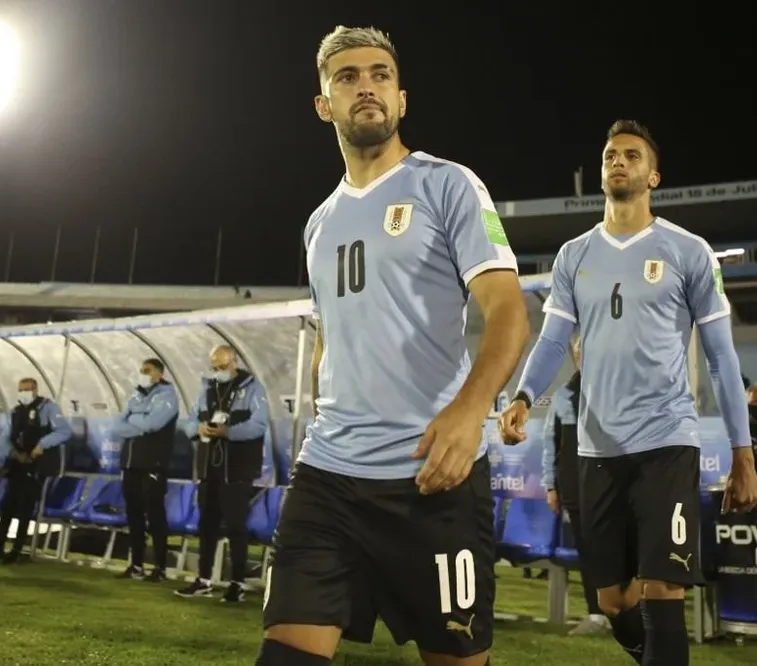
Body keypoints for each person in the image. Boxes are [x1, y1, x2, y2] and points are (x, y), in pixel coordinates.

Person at [257, 26, 528, 666]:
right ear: (325, 105)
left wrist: (468, 413)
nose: (366, 87)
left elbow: (508, 311)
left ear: (401, 98)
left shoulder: (450, 185)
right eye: (347, 78)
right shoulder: (318, 224)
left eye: (379, 75)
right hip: (327, 477)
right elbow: (330, 336)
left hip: (430, 476)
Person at [499, 119, 757, 666]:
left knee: (663, 589)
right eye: (611, 155)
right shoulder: (574, 256)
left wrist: (742, 452)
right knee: (614, 600)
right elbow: (552, 340)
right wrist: (523, 396)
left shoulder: (690, 252)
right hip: (597, 448)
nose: (619, 161)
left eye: (632, 155)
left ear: (653, 175)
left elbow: (721, 356)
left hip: (666, 440)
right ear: (602, 173)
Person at [176, 345, 269, 603]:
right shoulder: (207, 389)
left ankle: (236, 582)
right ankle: (203, 580)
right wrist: (200, 429)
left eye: (221, 367)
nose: (217, 372)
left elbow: (258, 425)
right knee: (206, 526)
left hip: (237, 470)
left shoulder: (253, 388)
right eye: (214, 367)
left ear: (233, 362)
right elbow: (189, 422)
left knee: (236, 528)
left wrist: (228, 432)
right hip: (209, 469)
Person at [541, 334, 608, 636]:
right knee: (589, 550)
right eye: (581, 353)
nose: (585, 357)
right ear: (576, 358)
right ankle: (596, 615)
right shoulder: (562, 397)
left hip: (611, 487)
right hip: (575, 488)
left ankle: (626, 611)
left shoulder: (615, 391)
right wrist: (550, 486)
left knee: (620, 549)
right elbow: (550, 445)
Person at [112, 358, 179, 582]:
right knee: (134, 515)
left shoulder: (168, 396)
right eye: (141, 370)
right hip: (130, 463)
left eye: (147, 370)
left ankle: (160, 568)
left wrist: (134, 417)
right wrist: (139, 420)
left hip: (153, 464)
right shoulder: (136, 394)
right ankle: (137, 565)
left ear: (159, 374)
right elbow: (118, 426)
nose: (143, 374)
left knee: (155, 515)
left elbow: (153, 424)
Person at [0, 378, 71, 563]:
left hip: (37, 464)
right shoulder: (17, 411)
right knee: (7, 505)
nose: (23, 393)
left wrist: (42, 445)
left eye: (27, 389)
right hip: (18, 462)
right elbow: (5, 436)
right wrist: (14, 453)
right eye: (20, 390)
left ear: (35, 390)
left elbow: (63, 432)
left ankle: (17, 550)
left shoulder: (48, 408)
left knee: (26, 506)